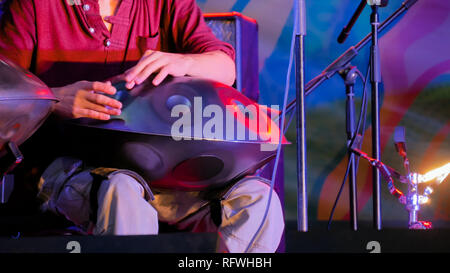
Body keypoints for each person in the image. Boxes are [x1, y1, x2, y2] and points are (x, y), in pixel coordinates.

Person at [0, 0, 284, 252]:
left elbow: (224, 66)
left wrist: (182, 61)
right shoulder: (34, 6)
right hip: (71, 167)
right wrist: (54, 98)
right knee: (122, 190)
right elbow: (5, 90)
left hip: (165, 175)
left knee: (259, 200)